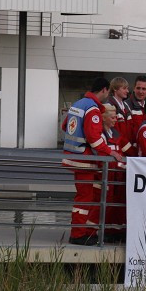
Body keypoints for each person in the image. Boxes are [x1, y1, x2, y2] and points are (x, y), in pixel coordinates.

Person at [62, 77, 124, 246]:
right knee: (85, 198)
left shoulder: (78, 104)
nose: (107, 97)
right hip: (84, 159)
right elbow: (94, 137)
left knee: (86, 196)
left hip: (73, 156)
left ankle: (84, 232)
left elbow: (64, 126)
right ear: (104, 89)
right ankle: (78, 234)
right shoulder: (92, 108)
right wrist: (109, 151)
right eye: (108, 92)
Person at [101, 103, 128, 243]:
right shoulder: (102, 135)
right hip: (108, 174)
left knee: (116, 204)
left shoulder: (115, 133)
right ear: (104, 118)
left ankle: (115, 231)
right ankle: (104, 232)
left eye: (116, 116)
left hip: (117, 174)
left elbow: (121, 152)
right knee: (107, 204)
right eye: (112, 117)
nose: (115, 119)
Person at [108, 76, 134, 155]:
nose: (127, 91)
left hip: (129, 148)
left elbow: (132, 127)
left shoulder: (126, 106)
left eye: (127, 88)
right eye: (124, 88)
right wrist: (130, 150)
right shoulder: (109, 106)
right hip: (118, 149)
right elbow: (115, 132)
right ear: (115, 89)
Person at [126, 75, 146, 141]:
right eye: (138, 88)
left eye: (143, 89)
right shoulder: (126, 105)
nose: (140, 92)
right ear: (134, 88)